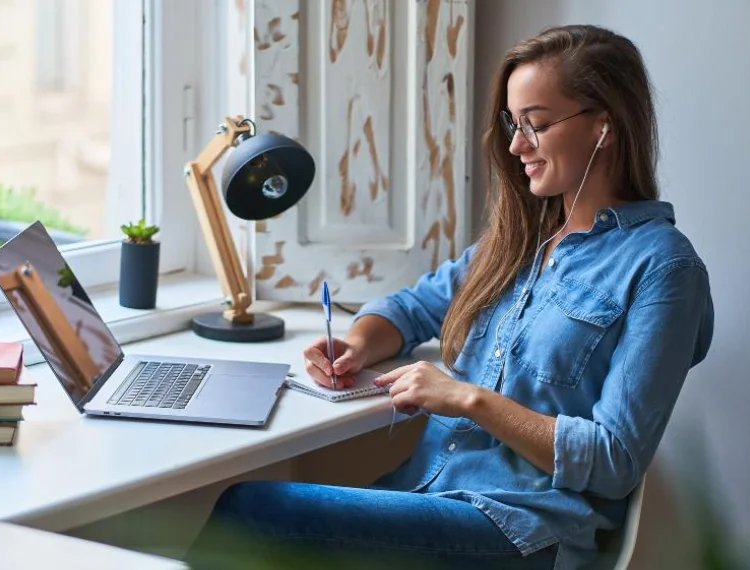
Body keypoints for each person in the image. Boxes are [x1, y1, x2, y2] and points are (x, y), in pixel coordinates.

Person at [185, 24, 714, 570]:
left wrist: (466, 398)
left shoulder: (664, 268)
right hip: (426, 496)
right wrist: (356, 344)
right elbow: (411, 307)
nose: (515, 146)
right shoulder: (515, 245)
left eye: (535, 124)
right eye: (513, 124)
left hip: (526, 532)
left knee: (257, 511)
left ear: (603, 126)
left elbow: (614, 459)